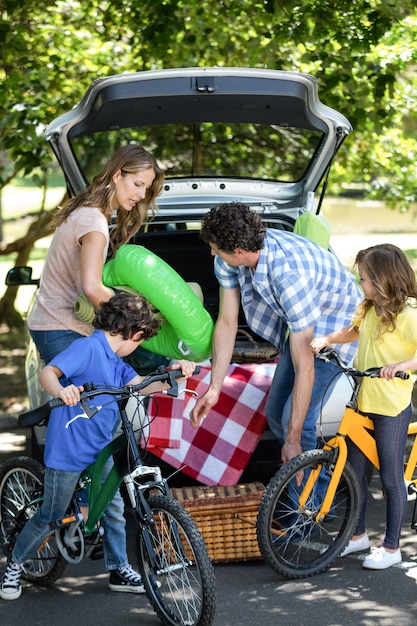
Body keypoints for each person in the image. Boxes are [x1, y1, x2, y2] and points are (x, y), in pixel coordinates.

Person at [25, 143, 164, 593]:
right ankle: (74, 502)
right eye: (137, 184)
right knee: (96, 418)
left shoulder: (87, 212)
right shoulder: (94, 222)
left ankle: (102, 530)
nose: (140, 196)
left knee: (111, 440)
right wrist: (141, 314)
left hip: (62, 322)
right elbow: (90, 287)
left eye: (147, 189)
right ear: (118, 173)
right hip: (58, 327)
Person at [0, 292, 196, 601]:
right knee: (50, 516)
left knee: (114, 507)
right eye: (142, 339)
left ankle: (118, 568)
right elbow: (48, 373)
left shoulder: (116, 361)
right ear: (135, 334)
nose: (140, 344)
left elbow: (141, 384)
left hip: (101, 446)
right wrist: (62, 391)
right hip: (70, 449)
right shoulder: (88, 348)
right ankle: (15, 564)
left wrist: (177, 373)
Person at [190, 202, 362, 467]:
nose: (212, 252)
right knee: (275, 411)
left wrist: (293, 439)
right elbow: (226, 322)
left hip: (337, 330)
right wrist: (214, 388)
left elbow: (306, 368)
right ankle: (307, 478)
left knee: (298, 424)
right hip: (301, 321)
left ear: (238, 251)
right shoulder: (230, 259)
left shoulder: (289, 275)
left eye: (216, 248)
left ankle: (310, 504)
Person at [311, 243, 417, 570]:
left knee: (389, 477)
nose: (361, 285)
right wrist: (328, 340)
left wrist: (401, 364)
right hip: (362, 400)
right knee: (354, 473)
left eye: (365, 279)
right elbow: (354, 332)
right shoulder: (371, 308)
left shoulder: (409, 313)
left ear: (384, 279)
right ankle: (356, 537)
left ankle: (391, 547)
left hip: (390, 404)